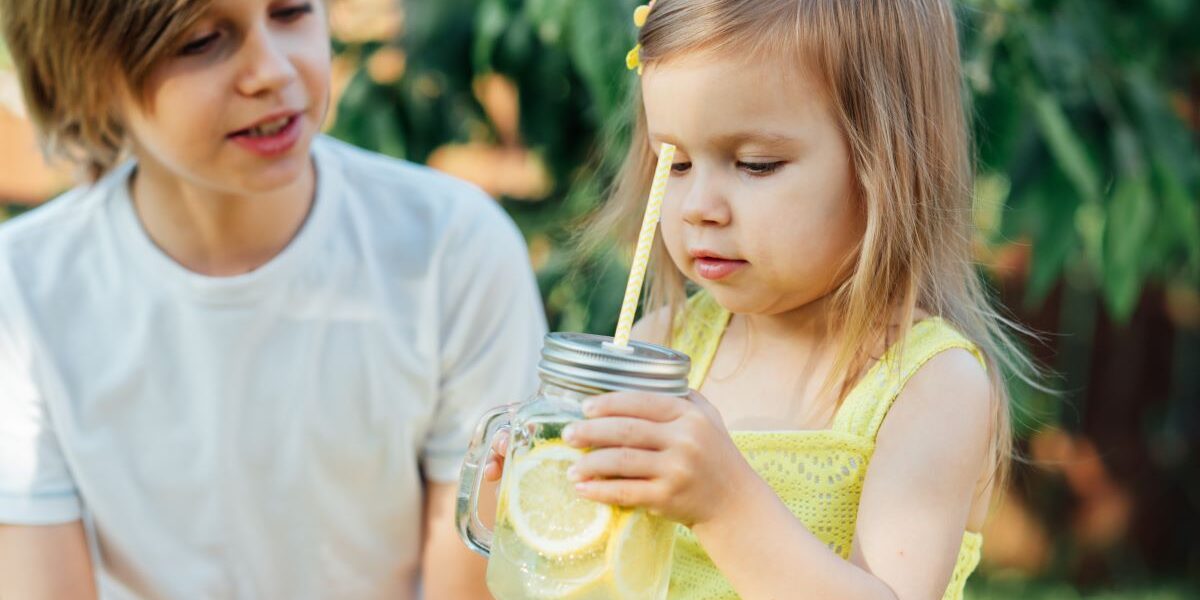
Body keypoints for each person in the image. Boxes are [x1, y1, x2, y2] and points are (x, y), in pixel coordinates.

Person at [487, 1, 1041, 598]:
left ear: (886, 161)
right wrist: (536, 507)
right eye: (675, 162)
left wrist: (725, 505)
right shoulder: (661, 344)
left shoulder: (929, 385)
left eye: (755, 164)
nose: (700, 204)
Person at [0, 1, 545, 597]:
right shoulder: (22, 293)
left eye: (290, 12)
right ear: (84, 78)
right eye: (202, 41)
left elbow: (469, 579)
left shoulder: (453, 250)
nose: (273, 71)